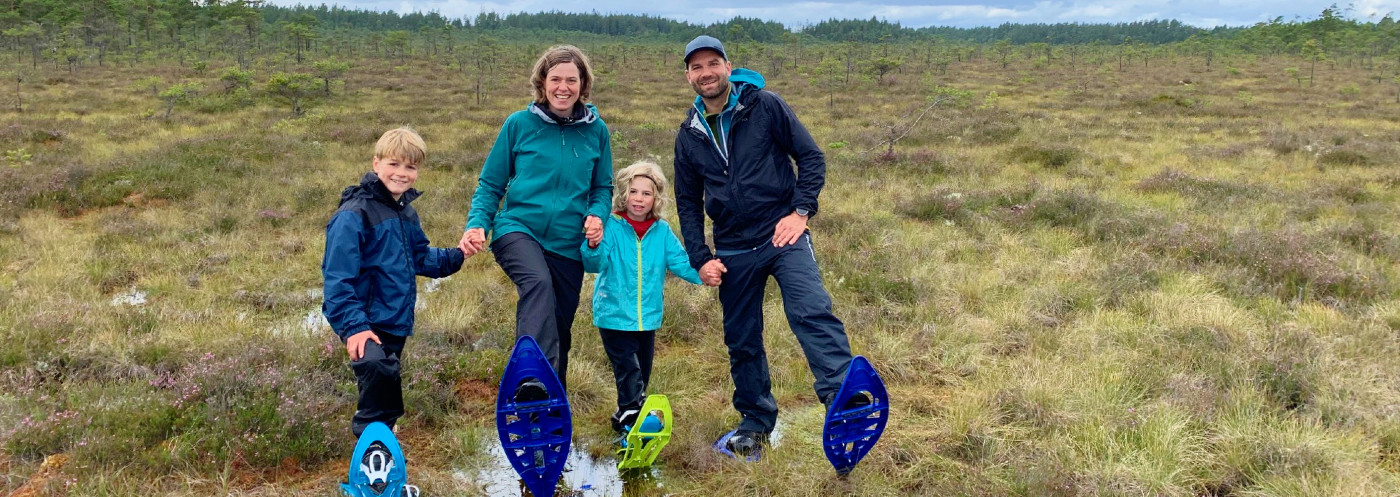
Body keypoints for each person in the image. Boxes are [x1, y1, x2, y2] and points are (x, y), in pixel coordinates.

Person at [672, 35, 859, 457]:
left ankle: (842, 401)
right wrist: (700, 258)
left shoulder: (765, 105)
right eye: (697, 67)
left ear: (727, 66)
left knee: (810, 309)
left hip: (782, 234)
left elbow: (810, 157)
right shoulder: (689, 134)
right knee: (742, 339)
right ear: (688, 75)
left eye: (713, 63)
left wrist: (800, 211)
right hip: (734, 247)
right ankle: (755, 424)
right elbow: (687, 200)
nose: (706, 73)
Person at [459, 45, 613, 395]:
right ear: (542, 83)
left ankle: (549, 408)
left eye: (571, 80)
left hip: (568, 241)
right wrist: (477, 223)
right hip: (518, 229)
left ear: (583, 84)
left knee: (559, 326)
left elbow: (602, 187)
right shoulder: (519, 124)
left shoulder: (596, 131)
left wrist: (597, 215)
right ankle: (529, 376)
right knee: (538, 284)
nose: (563, 87)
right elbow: (490, 184)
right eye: (555, 79)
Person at [322, 127, 465, 437]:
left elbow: (421, 258)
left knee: (382, 385)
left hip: (394, 320)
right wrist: (356, 327)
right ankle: (371, 452)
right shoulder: (353, 214)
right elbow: (337, 282)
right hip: (365, 319)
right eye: (394, 164)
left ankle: (381, 451)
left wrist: (459, 254)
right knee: (378, 374)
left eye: (410, 166)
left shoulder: (405, 213)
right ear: (376, 164)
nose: (402, 173)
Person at [580, 161, 703, 434]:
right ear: (624, 193)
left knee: (641, 375)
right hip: (613, 315)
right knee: (629, 370)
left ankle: (623, 419)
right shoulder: (610, 225)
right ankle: (634, 417)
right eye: (633, 192)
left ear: (656, 198)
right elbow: (593, 264)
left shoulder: (661, 231)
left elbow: (682, 263)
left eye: (646, 194)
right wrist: (592, 244)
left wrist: (707, 273)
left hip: (647, 317)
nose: (639, 199)